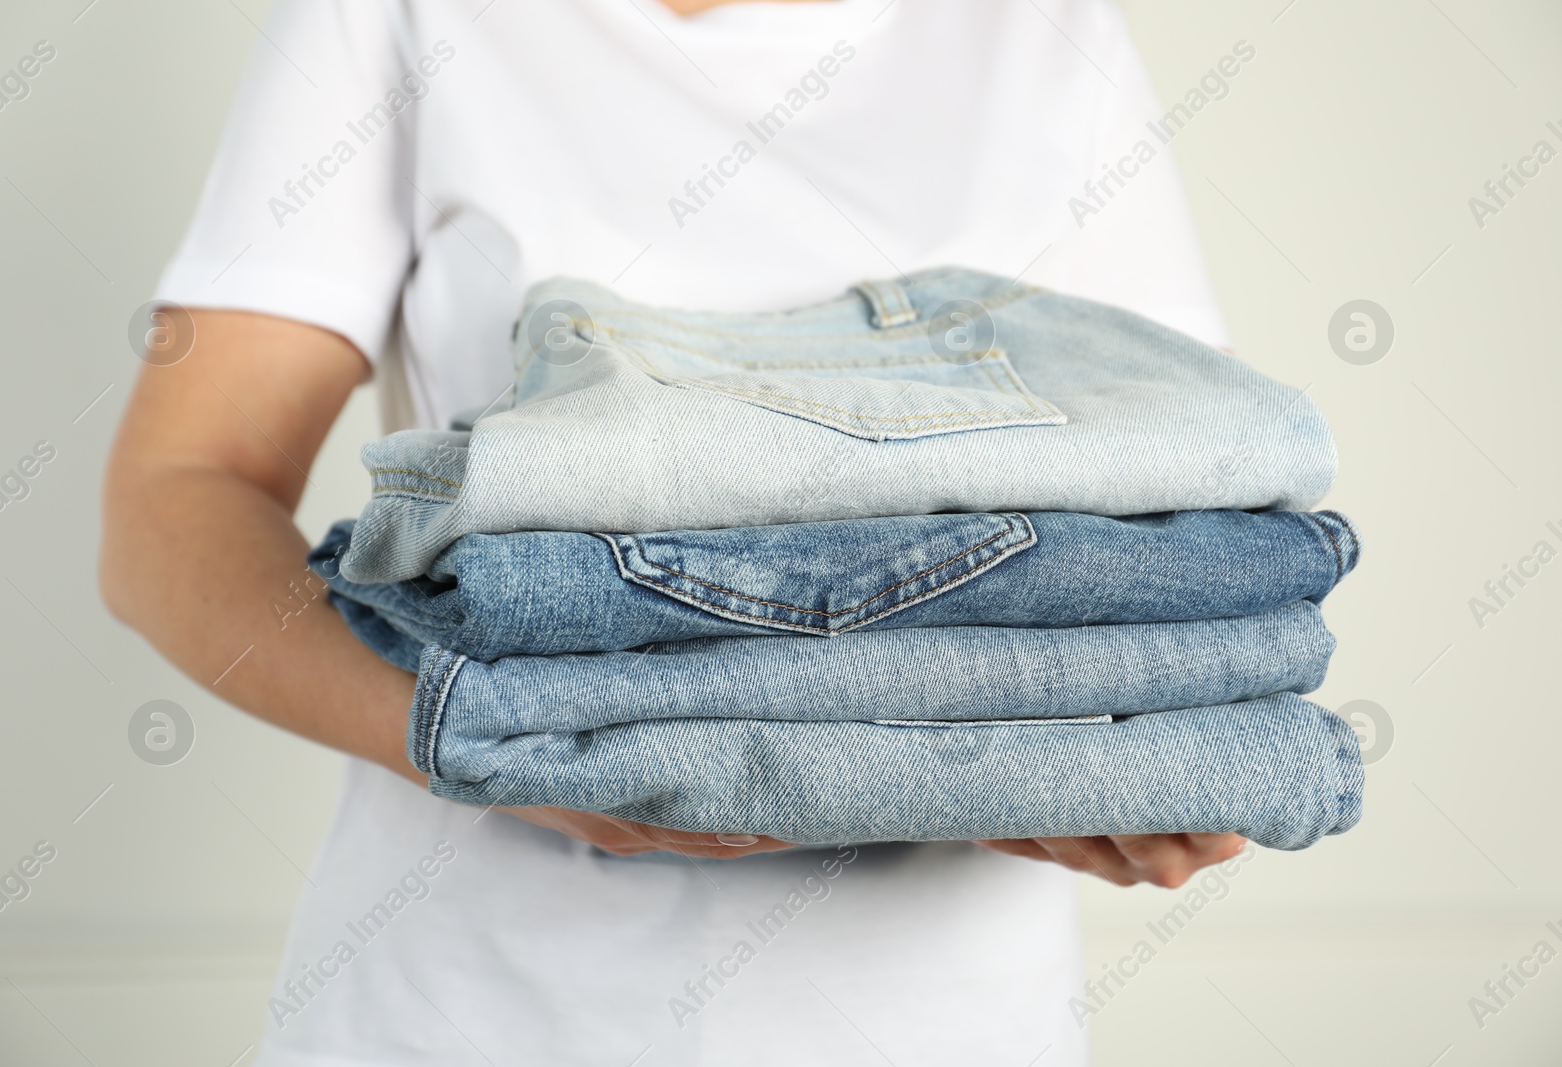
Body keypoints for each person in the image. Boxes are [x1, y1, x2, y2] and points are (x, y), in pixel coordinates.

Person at [101, 1, 1247, 1063]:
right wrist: (491, 740)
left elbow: (1179, 512)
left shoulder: (1042, 32)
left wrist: (1142, 760)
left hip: (939, 1018)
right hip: (472, 1004)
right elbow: (179, 492)